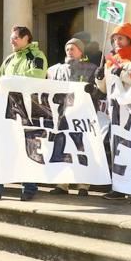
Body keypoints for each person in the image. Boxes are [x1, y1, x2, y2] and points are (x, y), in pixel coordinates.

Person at [0, 26, 47, 201]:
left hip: (29, 110)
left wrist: (10, 82)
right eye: (11, 38)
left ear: (26, 38)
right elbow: (1, 79)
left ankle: (29, 188)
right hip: (9, 109)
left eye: (15, 38)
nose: (12, 41)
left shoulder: (37, 56)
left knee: (28, 148)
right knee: (2, 145)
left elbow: (37, 76)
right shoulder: (9, 59)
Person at [94, 22, 131, 200]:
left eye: (120, 38)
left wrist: (124, 75)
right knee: (116, 148)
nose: (116, 41)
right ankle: (118, 188)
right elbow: (105, 88)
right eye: (114, 39)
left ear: (129, 38)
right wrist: (99, 79)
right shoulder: (110, 60)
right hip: (115, 111)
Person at [47, 37, 97, 197]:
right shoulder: (53, 70)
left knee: (82, 148)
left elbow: (98, 92)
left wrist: (93, 89)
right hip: (62, 115)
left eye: (73, 48)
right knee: (62, 147)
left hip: (82, 117)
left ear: (80, 52)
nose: (69, 51)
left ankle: (83, 185)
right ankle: (62, 184)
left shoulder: (92, 69)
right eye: (67, 48)